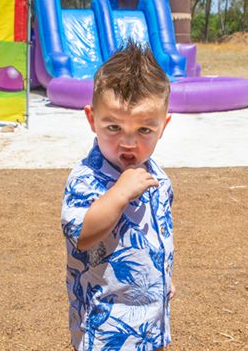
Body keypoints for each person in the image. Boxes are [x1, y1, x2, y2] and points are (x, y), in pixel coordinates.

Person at [61, 42, 176, 351]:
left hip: (151, 323)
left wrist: (163, 276)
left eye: (144, 130)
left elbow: (157, 235)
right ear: (91, 120)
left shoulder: (159, 178)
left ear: (162, 127)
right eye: (113, 127)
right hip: (106, 328)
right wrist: (120, 193)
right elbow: (82, 234)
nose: (128, 142)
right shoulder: (87, 178)